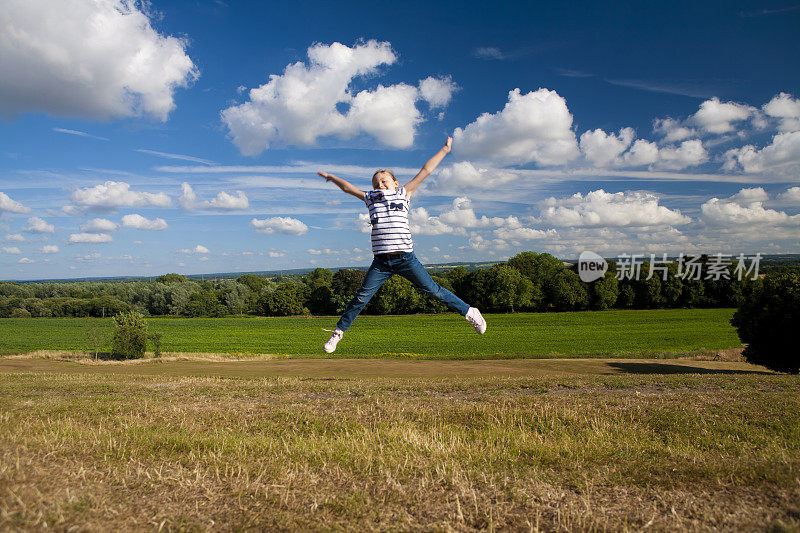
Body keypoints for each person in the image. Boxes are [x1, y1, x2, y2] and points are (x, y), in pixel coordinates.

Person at [317, 136, 486, 353]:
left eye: (385, 180)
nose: (380, 184)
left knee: (434, 291)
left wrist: (444, 150)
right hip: (381, 262)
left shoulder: (403, 193)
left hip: (406, 258)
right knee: (361, 297)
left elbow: (425, 171)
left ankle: (470, 312)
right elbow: (348, 188)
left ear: (395, 183)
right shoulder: (371, 199)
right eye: (376, 182)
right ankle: (338, 334)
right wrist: (332, 178)